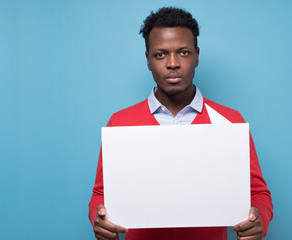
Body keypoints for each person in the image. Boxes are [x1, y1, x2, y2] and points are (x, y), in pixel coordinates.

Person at [89, 7, 273, 240]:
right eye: (160, 54)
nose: (173, 63)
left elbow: (257, 193)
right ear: (148, 59)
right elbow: (101, 193)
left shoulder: (230, 121)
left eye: (183, 53)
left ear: (197, 55)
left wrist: (260, 220)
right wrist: (99, 216)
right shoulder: (120, 122)